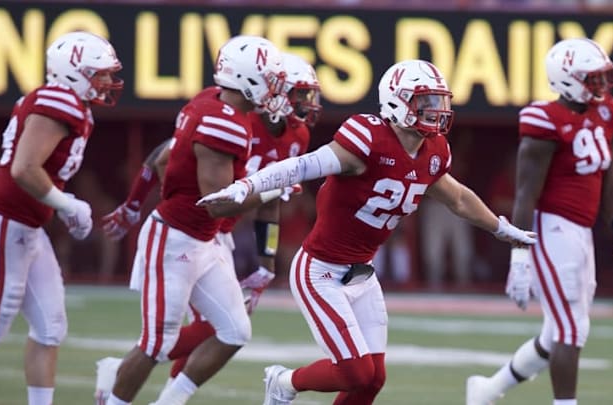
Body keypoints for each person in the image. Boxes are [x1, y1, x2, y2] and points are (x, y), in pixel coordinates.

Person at [199, 59, 537, 405]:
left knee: (372, 380)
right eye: (427, 102)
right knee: (355, 372)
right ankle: (283, 383)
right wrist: (249, 185)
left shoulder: (433, 151)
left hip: (362, 273)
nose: (437, 111)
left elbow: (460, 199)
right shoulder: (367, 139)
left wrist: (501, 228)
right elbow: (303, 166)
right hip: (321, 270)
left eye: (440, 101)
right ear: (397, 101)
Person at [94, 52, 321, 403]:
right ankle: (120, 376)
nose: (305, 103)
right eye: (298, 94)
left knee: (232, 329)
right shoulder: (227, 116)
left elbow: (270, 204)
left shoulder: (295, 135)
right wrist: (132, 205)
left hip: (215, 234)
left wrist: (267, 262)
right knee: (164, 338)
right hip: (186, 229)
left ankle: (162, 396)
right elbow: (167, 161)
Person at [466, 38, 613, 405]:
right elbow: (525, 194)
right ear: (567, 80)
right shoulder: (544, 121)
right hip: (549, 230)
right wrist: (520, 255)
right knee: (570, 330)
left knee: (558, 332)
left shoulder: (607, 113)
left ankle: (487, 389)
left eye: (604, 78)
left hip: (580, 232)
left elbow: (611, 179)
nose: (603, 87)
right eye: (593, 80)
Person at [0, 31, 122, 405]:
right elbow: (23, 168)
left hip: (27, 227)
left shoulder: (68, 103)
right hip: (4, 222)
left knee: (50, 328)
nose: (106, 82)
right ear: (71, 72)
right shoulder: (58, 100)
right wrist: (67, 205)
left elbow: (37, 172)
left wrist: (61, 203)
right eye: (97, 73)